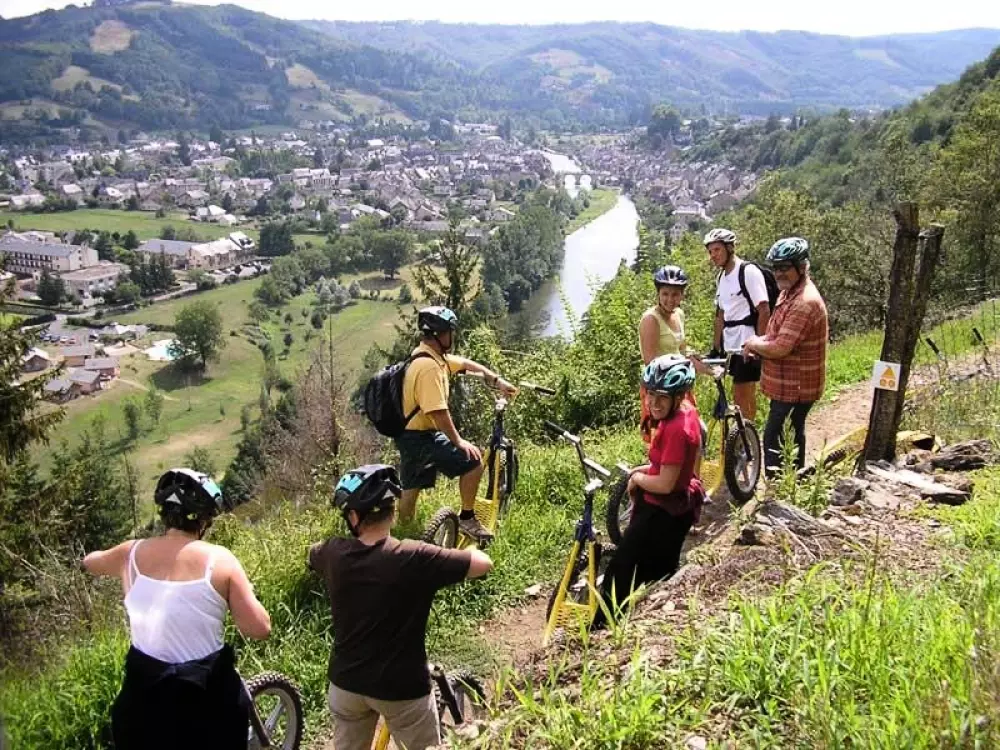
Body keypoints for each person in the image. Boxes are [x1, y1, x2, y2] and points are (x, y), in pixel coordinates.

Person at [82, 468, 271, 750]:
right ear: (204, 519)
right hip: (206, 702)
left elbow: (90, 562)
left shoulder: (129, 554)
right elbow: (259, 629)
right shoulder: (220, 560)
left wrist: (94, 560)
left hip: (143, 703)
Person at [310, 464, 493, 750]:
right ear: (393, 512)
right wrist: (462, 552)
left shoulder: (333, 553)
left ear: (354, 516)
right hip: (401, 689)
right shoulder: (414, 556)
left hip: (346, 685)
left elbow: (313, 554)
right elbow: (483, 565)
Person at [596, 354, 705, 627]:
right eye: (650, 395)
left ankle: (600, 629)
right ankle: (654, 618)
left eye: (662, 398)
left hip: (663, 510)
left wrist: (636, 477)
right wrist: (647, 470)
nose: (653, 404)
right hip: (677, 509)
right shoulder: (687, 412)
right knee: (660, 569)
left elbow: (665, 484)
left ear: (677, 397)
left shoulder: (676, 429)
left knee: (621, 571)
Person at [396, 305, 517, 542]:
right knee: (473, 460)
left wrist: (495, 379)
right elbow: (438, 413)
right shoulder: (429, 367)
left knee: (411, 485)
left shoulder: (426, 356)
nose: (453, 335)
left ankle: (403, 532)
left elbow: (463, 364)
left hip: (407, 434)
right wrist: (459, 442)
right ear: (440, 334)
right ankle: (467, 518)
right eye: (451, 331)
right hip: (423, 436)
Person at [742, 237, 829, 478]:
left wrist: (753, 343)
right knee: (791, 432)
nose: (779, 273)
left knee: (774, 437)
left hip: (796, 387)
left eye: (785, 267)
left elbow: (781, 347)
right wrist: (760, 342)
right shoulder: (789, 292)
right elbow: (775, 333)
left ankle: (777, 489)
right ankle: (795, 480)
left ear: (802, 268)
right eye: (775, 267)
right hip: (788, 385)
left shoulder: (804, 303)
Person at [705, 228, 771, 422]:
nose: (713, 256)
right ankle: (742, 436)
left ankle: (747, 441)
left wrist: (760, 345)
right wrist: (716, 349)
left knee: (742, 393)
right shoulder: (721, 277)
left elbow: (764, 309)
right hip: (731, 344)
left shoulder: (747, 272)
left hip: (748, 342)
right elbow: (720, 315)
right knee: (735, 396)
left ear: (729, 248)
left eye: (717, 250)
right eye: (710, 252)